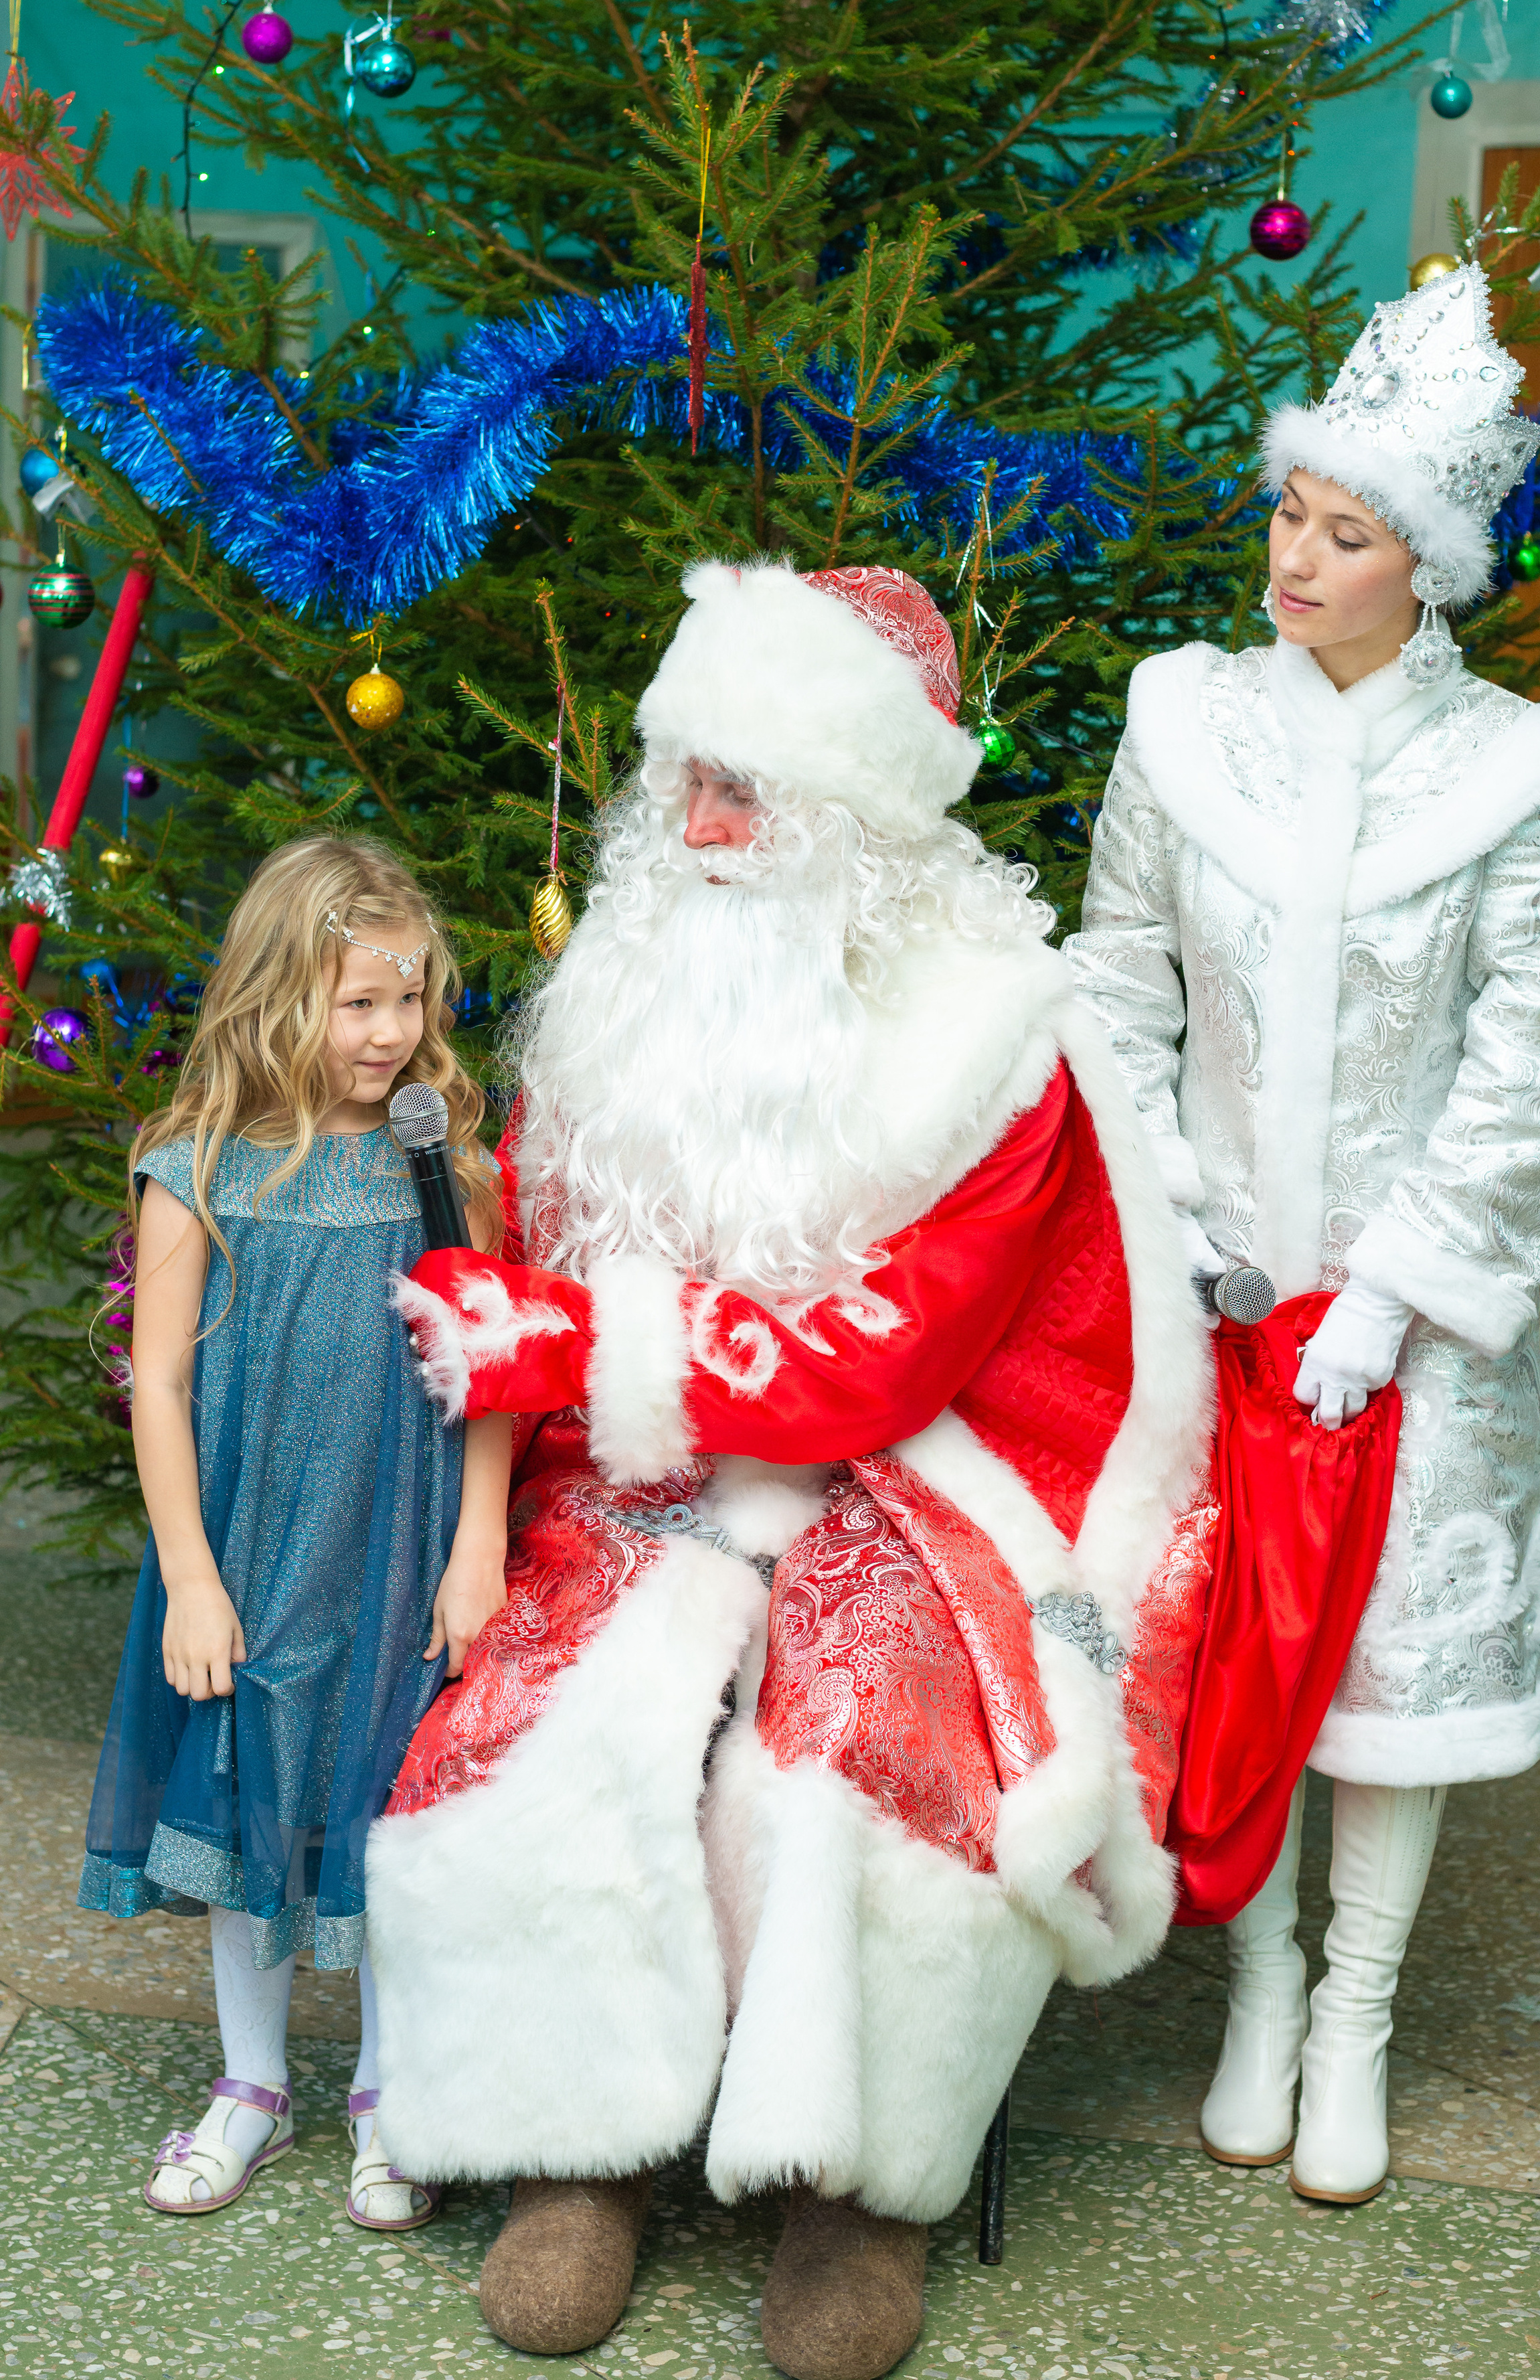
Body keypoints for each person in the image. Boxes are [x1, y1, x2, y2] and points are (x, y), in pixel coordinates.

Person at [374, 560, 1211, 2380]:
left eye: (749, 782)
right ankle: (568, 2143)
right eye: (686, 772)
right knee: (556, 1705)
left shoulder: (992, 1042)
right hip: (646, 1457)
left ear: (861, 816)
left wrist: (574, 1342)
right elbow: (544, 1232)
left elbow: (899, 1355)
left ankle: (859, 2181)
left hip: (922, 1475)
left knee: (863, 1731)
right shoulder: (620, 982)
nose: (703, 820)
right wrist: (525, 1317)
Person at [1064, 259, 1540, 2207]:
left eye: (1346, 531)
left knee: (1383, 1677)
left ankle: (1358, 2013)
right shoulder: (1183, 724)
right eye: (1291, 510)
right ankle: (1260, 1998)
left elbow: (1535, 1053)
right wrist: (1173, 1198)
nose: (1295, 555)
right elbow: (1118, 982)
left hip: (1411, 1317)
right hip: (1212, 1290)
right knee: (1233, 1651)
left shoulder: (1517, 774)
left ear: (1425, 563)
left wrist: (1396, 1291)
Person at [81, 836, 510, 2229]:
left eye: (410, 1001)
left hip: (404, 1532)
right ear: (280, 996)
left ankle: (387, 2093)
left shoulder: (447, 1155)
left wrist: (479, 1543)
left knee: (390, 1805)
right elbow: (155, 1379)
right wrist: (193, 1579)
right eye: (358, 1005)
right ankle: (253, 2088)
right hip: (251, 1537)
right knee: (246, 1776)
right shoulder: (198, 1160)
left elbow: (495, 1362)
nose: (391, 1035)